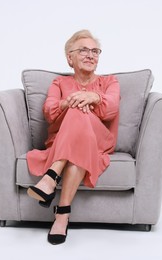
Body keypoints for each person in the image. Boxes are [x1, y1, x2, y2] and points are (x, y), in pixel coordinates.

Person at [26, 29, 120, 245]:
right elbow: (49, 112)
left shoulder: (110, 82)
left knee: (79, 109)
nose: (91, 55)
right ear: (70, 58)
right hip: (67, 142)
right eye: (84, 50)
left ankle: (50, 177)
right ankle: (62, 214)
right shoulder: (59, 83)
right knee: (76, 110)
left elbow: (112, 108)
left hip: (99, 140)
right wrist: (67, 103)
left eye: (95, 51)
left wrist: (93, 97)